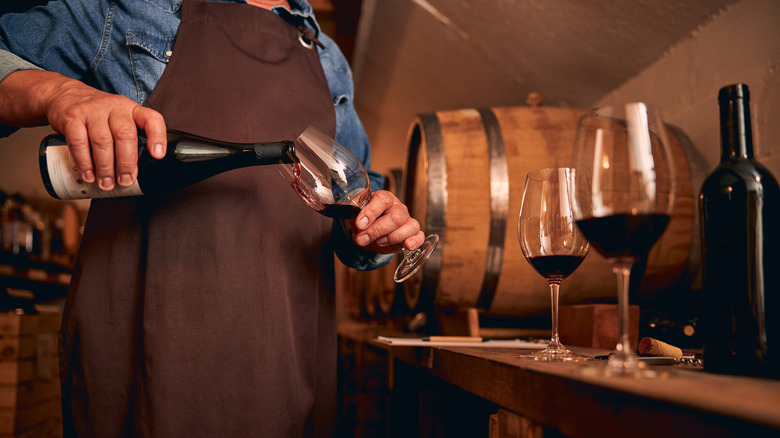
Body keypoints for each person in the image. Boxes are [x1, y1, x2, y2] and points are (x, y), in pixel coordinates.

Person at [0, 0, 424, 436]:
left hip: (285, 360)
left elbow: (357, 197)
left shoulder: (328, 56)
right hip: (147, 358)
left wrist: (377, 230)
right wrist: (59, 92)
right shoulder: (133, 11)